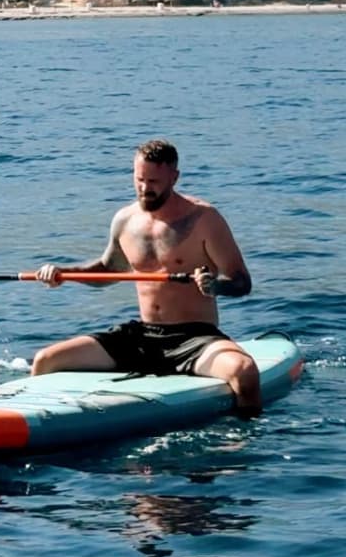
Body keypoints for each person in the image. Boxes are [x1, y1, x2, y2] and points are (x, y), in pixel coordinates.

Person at [31, 138, 261, 417]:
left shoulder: (204, 219)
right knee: (45, 361)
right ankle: (40, 426)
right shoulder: (125, 220)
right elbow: (107, 272)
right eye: (139, 179)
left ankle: (244, 443)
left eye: (153, 181)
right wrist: (64, 274)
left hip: (194, 339)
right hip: (142, 336)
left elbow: (241, 281)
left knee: (245, 373)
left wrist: (215, 286)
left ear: (174, 178)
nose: (144, 188)